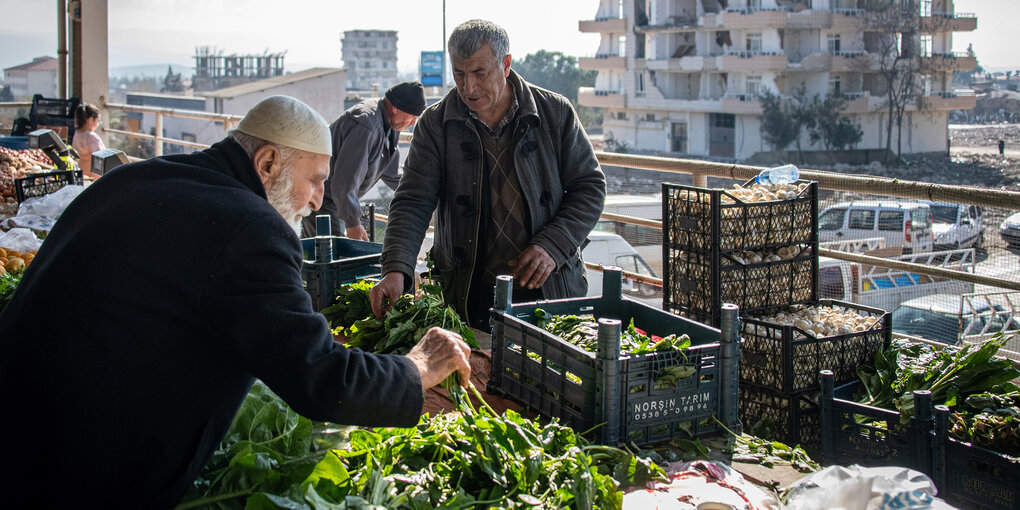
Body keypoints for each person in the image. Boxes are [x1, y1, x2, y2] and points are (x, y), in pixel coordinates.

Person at [0, 95, 471, 508]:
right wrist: (416, 367)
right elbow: (321, 378)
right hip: (73, 469)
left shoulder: (140, 176)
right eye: (315, 180)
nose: (317, 200)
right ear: (267, 164)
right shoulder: (250, 229)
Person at [370, 20, 606, 330]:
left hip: (548, 285)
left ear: (506, 64)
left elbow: (589, 188)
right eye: (459, 74)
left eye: (480, 73)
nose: (468, 87)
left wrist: (554, 244)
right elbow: (413, 200)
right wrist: (397, 269)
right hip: (468, 290)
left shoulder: (555, 113)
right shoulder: (435, 123)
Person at [301, 81, 426, 240]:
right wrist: (352, 223)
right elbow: (344, 181)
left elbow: (391, 173)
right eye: (412, 117)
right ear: (396, 108)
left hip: (337, 199)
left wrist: (424, 190)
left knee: (338, 256)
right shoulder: (366, 126)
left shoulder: (390, 125)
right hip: (323, 198)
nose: (413, 123)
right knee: (333, 257)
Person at [72, 102, 107, 178]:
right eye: (98, 121)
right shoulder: (92, 137)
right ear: (90, 120)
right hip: (93, 176)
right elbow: (100, 158)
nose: (98, 124)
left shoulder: (77, 133)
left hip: (81, 173)